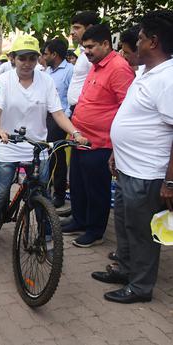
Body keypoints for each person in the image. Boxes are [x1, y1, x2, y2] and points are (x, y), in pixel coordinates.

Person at [93, 10, 173, 304]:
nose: (134, 44)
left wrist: (171, 182)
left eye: (139, 39)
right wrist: (117, 151)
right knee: (126, 224)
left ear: (153, 41)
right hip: (127, 167)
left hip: (148, 173)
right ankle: (125, 269)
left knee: (142, 232)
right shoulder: (145, 73)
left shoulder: (169, 78)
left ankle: (140, 287)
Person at [0, 35, 88, 244]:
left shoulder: (45, 80)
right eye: (22, 58)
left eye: (32, 58)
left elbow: (57, 113)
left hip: (38, 147)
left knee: (41, 194)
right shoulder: (4, 80)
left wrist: (75, 133)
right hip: (7, 144)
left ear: (38, 59)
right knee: (1, 192)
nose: (27, 63)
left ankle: (46, 235)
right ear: (13, 58)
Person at [62, 24, 135, 247]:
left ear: (106, 44)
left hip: (100, 143)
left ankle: (95, 231)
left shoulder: (119, 68)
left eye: (91, 47)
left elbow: (127, 108)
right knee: (79, 184)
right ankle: (80, 220)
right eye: (84, 48)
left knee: (97, 190)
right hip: (80, 139)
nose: (87, 52)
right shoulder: (96, 65)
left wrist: (116, 146)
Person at [43, 38, 74, 208]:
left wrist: (65, 119)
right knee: (44, 155)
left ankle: (59, 194)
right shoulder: (46, 72)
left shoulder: (70, 71)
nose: (43, 56)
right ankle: (43, 190)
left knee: (57, 157)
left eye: (46, 54)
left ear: (54, 54)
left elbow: (73, 97)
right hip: (44, 118)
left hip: (59, 119)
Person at [67, 11, 100, 112]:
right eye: (72, 28)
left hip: (85, 109)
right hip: (77, 109)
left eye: (77, 28)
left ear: (89, 28)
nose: (72, 32)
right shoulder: (82, 52)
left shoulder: (93, 54)